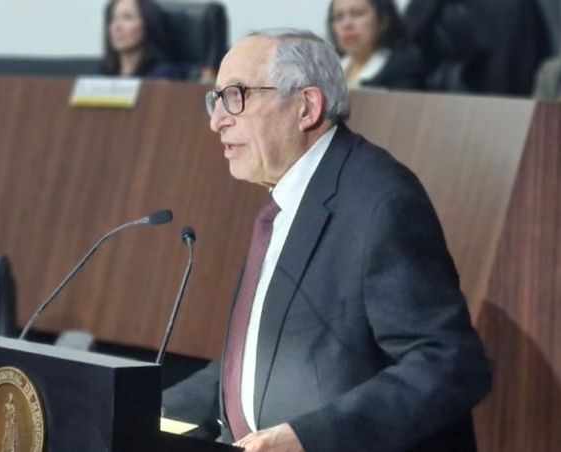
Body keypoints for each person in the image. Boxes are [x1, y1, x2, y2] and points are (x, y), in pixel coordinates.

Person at [163, 29, 491, 452]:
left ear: (306, 106)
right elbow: (259, 359)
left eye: (237, 95)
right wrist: (147, 406)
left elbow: (447, 365)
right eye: (216, 98)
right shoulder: (287, 200)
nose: (217, 119)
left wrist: (308, 438)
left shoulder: (380, 201)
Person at [328, 0, 426, 90]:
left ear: (383, 20)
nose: (346, 24)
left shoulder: (404, 69)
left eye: (357, 13)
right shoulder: (329, 70)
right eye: (338, 17)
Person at [100, 0, 189, 79]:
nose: (117, 26)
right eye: (113, 19)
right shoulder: (99, 76)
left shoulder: (165, 76)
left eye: (127, 17)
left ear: (147, 24)